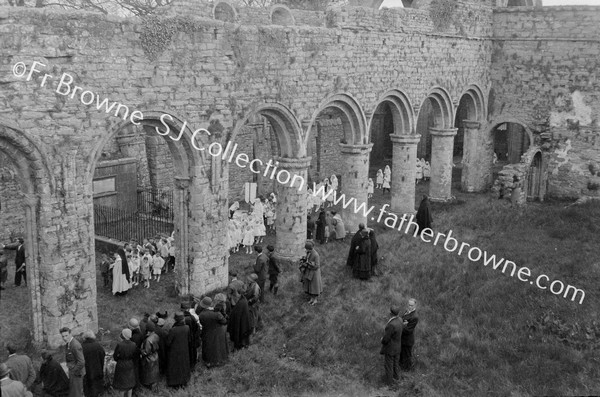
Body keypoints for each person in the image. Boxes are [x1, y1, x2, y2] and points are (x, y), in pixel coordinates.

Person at [197, 297, 229, 368]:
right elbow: (224, 322)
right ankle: (218, 361)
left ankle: (208, 362)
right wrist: (222, 313)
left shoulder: (201, 315)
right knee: (218, 347)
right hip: (218, 332)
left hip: (207, 332)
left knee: (208, 347)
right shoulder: (217, 313)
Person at [165, 312, 191, 388]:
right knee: (184, 366)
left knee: (175, 368)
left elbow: (168, 343)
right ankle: (184, 382)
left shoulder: (173, 330)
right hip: (184, 350)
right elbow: (189, 339)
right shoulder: (187, 327)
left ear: (176, 320)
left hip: (174, 352)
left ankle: (175, 383)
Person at [380, 306, 403, 386]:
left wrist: (382, 340)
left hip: (390, 349)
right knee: (396, 364)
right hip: (398, 347)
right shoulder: (400, 320)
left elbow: (386, 339)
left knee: (389, 366)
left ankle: (389, 384)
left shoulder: (391, 325)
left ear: (390, 313)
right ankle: (397, 380)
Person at [59, 327, 85, 397]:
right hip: (73, 372)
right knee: (73, 393)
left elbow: (81, 362)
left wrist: (73, 371)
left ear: (70, 334)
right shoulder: (68, 344)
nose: (64, 338)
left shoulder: (75, 345)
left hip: (77, 374)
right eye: (63, 336)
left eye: (66, 335)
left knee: (76, 394)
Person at [227, 282, 251, 351]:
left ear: (239, 293)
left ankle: (238, 346)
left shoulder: (241, 303)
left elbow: (237, 317)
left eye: (236, 293)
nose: (235, 295)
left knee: (240, 336)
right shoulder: (243, 300)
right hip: (243, 323)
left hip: (240, 324)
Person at [112, 329, 137, 397]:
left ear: (123, 335)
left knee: (121, 385)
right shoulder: (134, 344)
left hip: (121, 364)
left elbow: (115, 356)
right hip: (130, 363)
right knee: (130, 383)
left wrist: (118, 360)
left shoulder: (120, 345)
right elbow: (135, 355)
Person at [81, 331, 105, 397]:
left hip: (87, 372)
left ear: (84, 338)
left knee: (88, 391)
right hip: (97, 371)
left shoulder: (81, 347)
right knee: (96, 390)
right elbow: (102, 357)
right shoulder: (98, 346)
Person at [299, 241, 323, 305]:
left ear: (310, 248)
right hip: (309, 271)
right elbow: (307, 259)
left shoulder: (316, 255)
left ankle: (315, 299)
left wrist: (309, 264)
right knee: (310, 286)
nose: (306, 250)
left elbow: (317, 265)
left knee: (314, 286)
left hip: (314, 273)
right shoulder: (308, 253)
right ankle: (311, 298)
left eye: (307, 249)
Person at [140, 322, 160, 391]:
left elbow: (146, 352)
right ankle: (155, 386)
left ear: (148, 330)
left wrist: (141, 351)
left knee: (149, 373)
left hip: (149, 359)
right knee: (155, 372)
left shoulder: (148, 340)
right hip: (155, 355)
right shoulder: (156, 335)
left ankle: (149, 386)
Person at [400, 298, 419, 371]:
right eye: (409, 305)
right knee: (402, 354)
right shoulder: (407, 311)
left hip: (407, 340)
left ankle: (407, 371)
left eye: (411, 305)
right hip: (402, 339)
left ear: (415, 305)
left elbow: (408, 330)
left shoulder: (414, 317)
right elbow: (402, 319)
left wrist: (401, 325)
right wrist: (403, 323)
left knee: (407, 356)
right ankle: (401, 368)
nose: (410, 306)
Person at [181, 302, 201, 370]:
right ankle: (193, 364)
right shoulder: (192, 317)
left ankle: (189, 365)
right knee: (193, 352)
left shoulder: (182, 319)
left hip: (186, 339)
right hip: (193, 338)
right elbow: (197, 328)